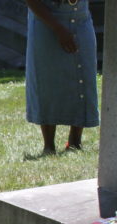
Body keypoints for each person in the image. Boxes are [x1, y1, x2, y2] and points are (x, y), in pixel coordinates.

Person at [25, 0, 99, 154]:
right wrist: (58, 28)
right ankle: (48, 145)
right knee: (47, 80)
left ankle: (75, 141)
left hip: (80, 18)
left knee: (83, 76)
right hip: (46, 21)